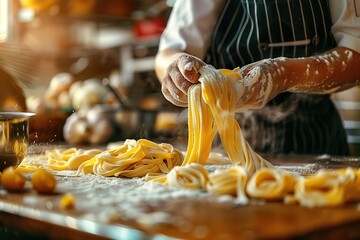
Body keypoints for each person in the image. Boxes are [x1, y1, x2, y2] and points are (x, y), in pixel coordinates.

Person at [154, 0, 360, 156]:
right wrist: (176, 72)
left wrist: (284, 75)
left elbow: (356, 56)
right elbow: (169, 54)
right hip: (222, 154)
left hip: (316, 145)